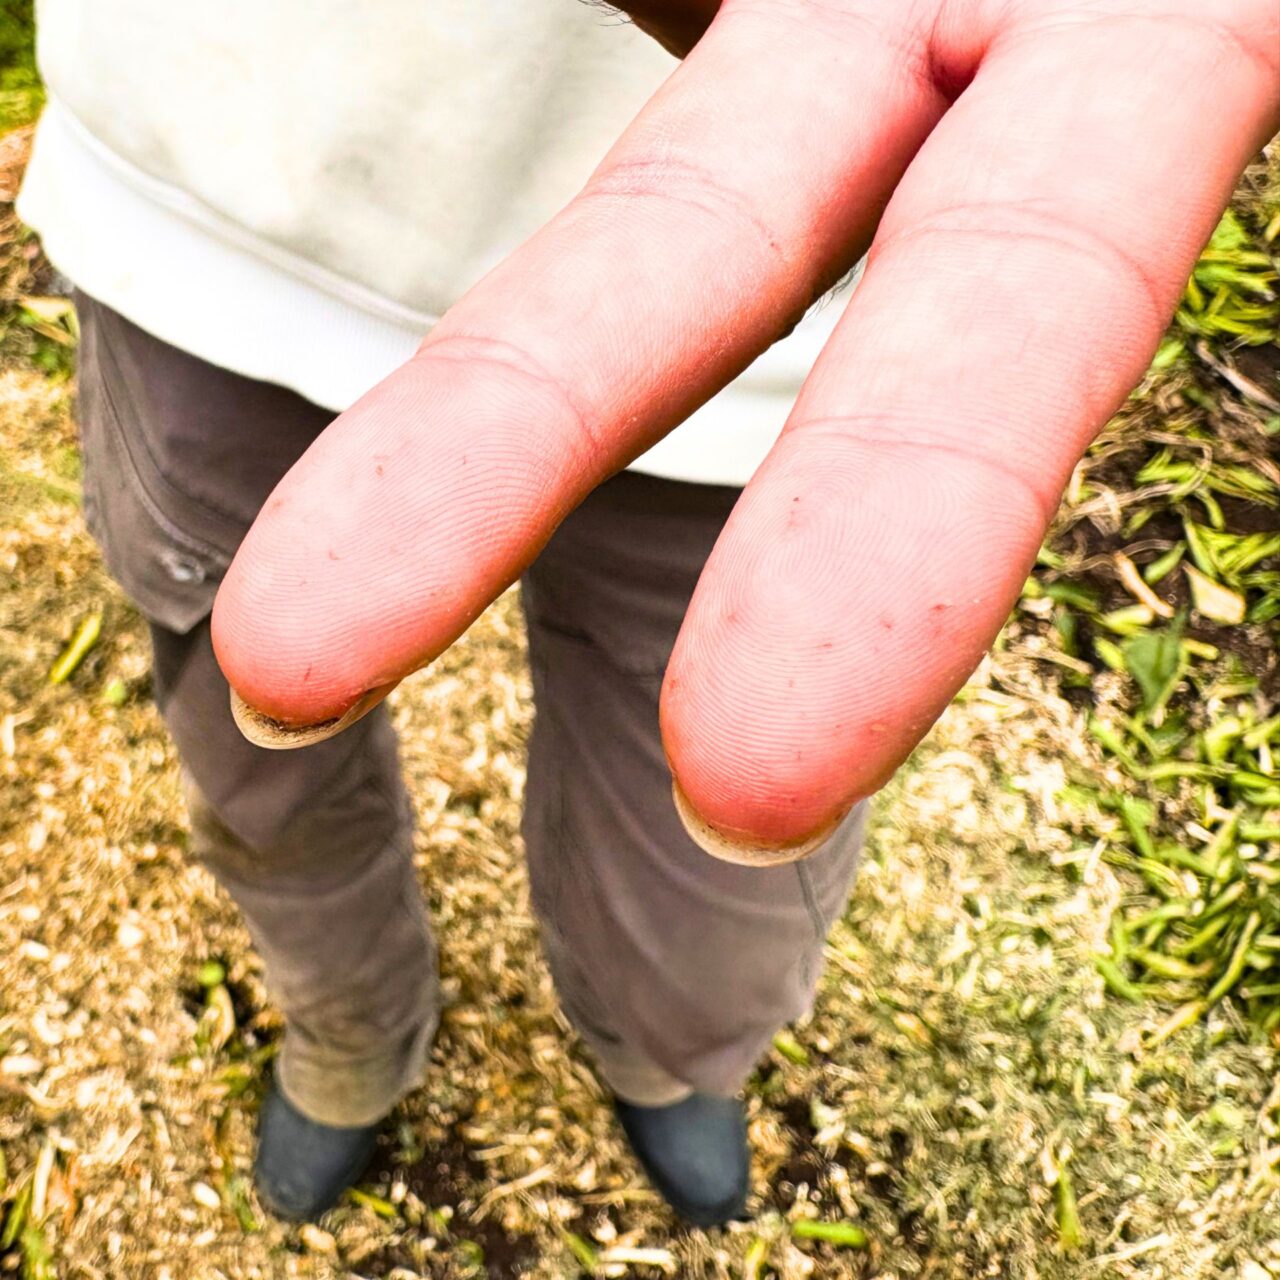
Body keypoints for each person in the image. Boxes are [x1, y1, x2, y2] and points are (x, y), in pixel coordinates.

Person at [19, 0, 1277, 1229]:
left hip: (794, 252)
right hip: (208, 193)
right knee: (255, 727)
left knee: (727, 832)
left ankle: (670, 1054)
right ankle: (345, 1020)